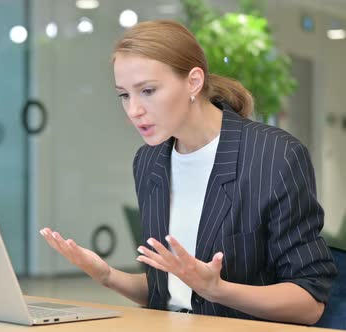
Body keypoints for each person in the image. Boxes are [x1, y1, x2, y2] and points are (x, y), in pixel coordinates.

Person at [39, 20, 337, 325]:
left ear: (194, 81)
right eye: (124, 95)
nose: (133, 110)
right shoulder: (150, 160)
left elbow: (309, 302)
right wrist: (107, 276)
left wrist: (218, 289)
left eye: (148, 91)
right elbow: (171, 291)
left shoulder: (275, 155)